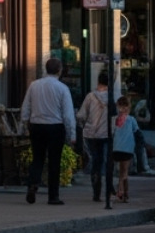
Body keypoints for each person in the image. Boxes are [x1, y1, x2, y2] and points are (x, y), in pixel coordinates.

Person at [18, 58, 74, 205]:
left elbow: (26, 107)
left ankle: (33, 183)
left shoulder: (34, 85)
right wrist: (71, 134)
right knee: (54, 161)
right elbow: (68, 115)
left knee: (37, 158)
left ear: (46, 69)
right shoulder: (62, 88)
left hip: (37, 125)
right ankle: (53, 196)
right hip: (55, 126)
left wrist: (24, 123)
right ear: (59, 70)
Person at [77, 72, 113, 202]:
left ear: (98, 82)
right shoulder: (111, 97)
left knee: (95, 161)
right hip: (106, 134)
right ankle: (107, 187)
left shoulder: (90, 96)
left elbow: (81, 115)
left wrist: (83, 124)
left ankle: (96, 190)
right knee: (105, 160)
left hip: (91, 134)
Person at [112, 97, 140, 204]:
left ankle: (120, 191)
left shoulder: (114, 119)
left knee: (120, 170)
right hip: (128, 148)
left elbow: (112, 132)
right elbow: (137, 132)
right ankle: (124, 192)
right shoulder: (131, 120)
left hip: (116, 148)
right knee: (125, 171)